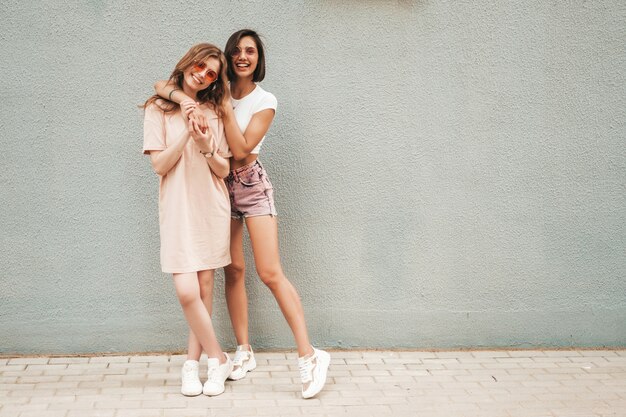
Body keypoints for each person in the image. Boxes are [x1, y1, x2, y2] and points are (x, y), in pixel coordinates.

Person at [154, 29, 330, 399]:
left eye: (249, 51)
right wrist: (183, 99)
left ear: (258, 58)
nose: (242, 56)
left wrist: (221, 110)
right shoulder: (213, 88)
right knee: (233, 270)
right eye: (235, 51)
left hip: (248, 183)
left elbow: (241, 147)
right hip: (216, 188)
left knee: (269, 272)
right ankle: (244, 350)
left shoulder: (265, 100)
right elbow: (163, 84)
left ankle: (310, 355)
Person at [142, 43, 234, 397]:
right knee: (186, 291)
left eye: (212, 73)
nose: (203, 74)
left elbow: (223, 169)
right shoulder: (158, 108)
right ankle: (218, 357)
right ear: (187, 62)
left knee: (205, 289)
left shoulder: (214, 111)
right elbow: (159, 166)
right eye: (200, 65)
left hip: (210, 205)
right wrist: (185, 133)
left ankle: (192, 367)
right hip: (178, 207)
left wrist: (206, 143)